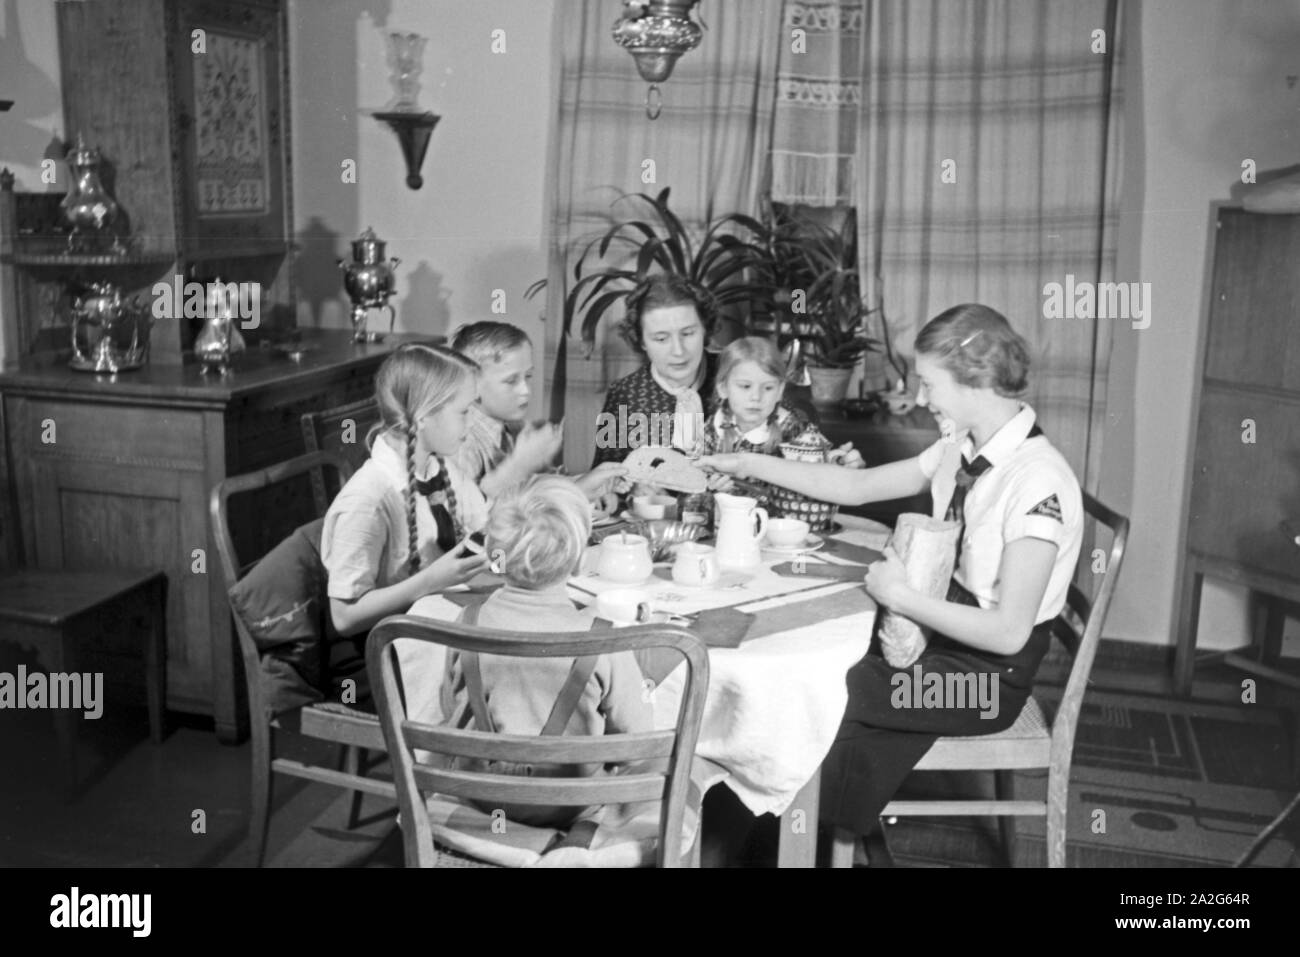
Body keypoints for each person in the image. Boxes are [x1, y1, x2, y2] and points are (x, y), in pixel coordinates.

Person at [699, 303, 1083, 861]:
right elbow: (854, 489)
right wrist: (747, 465)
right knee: (816, 679)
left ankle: (777, 838)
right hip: (938, 646)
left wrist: (900, 597)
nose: (922, 398)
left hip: (983, 682)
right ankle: (804, 837)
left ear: (973, 379)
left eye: (929, 384)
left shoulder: (1037, 481)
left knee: (818, 696)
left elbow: (1007, 633)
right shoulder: (962, 448)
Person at [440, 474, 653, 828]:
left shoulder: (467, 620)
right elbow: (637, 742)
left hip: (479, 796)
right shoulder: (602, 639)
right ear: (581, 561)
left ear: (495, 558)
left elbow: (451, 706)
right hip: (574, 806)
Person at [322, 343, 490, 638]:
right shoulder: (368, 498)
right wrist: (430, 581)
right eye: (464, 411)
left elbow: (482, 528)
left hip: (442, 619)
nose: (472, 421)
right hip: (394, 647)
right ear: (423, 416)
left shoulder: (442, 468)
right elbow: (344, 618)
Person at [451, 320, 627, 504]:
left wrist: (584, 485)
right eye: (511, 381)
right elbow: (468, 519)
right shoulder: (462, 443)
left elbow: (528, 491)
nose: (525, 390)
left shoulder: (510, 429)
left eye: (528, 376)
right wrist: (519, 465)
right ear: (472, 385)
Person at [700, 336, 864, 495]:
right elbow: (694, 475)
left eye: (768, 388)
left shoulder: (792, 427)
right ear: (723, 388)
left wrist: (839, 461)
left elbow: (819, 467)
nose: (756, 396)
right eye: (745, 386)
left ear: (780, 391)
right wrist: (709, 486)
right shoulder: (713, 428)